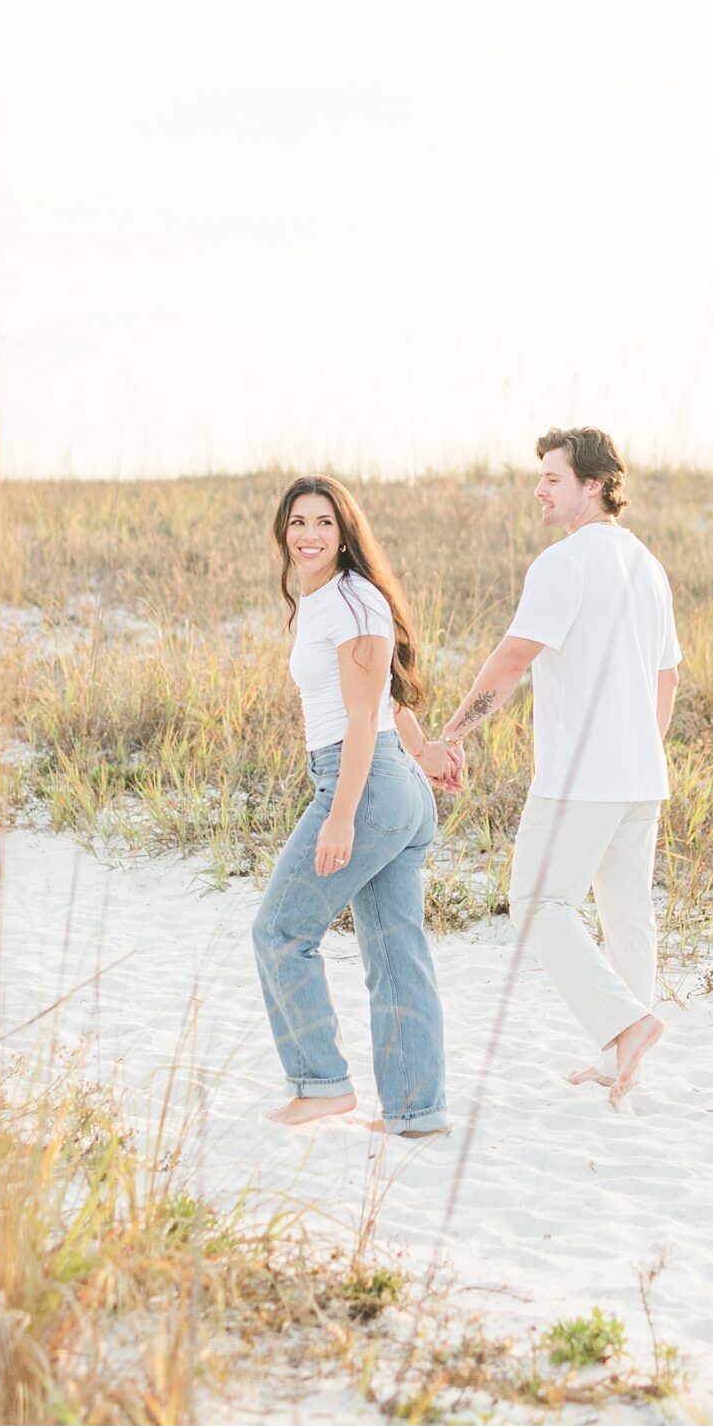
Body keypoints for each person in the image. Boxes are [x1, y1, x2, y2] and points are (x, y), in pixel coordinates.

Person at [431, 427, 680, 1103]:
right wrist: (643, 749)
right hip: (640, 775)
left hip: (582, 775)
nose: (538, 489)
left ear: (593, 484)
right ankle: (622, 1061)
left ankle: (625, 1028)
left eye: (552, 477)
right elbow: (668, 677)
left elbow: (514, 659)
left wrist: (451, 735)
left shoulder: (564, 563)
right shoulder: (647, 564)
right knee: (627, 914)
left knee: (537, 902)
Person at [252, 474, 462, 1136]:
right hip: (392, 783)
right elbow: (388, 700)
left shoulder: (347, 600)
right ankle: (415, 1112)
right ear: (284, 534)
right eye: (298, 523)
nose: (309, 535)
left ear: (345, 534)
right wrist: (425, 750)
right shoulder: (336, 599)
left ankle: (321, 1083)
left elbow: (364, 711)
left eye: (323, 523)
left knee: (281, 932)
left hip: (361, 783)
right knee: (396, 955)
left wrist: (342, 814)